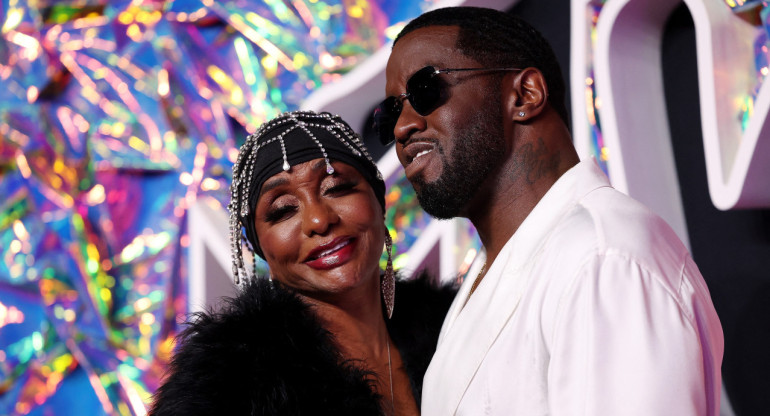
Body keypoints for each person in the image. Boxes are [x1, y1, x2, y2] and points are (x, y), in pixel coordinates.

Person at [375, 6, 724, 415]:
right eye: (392, 113)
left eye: (425, 90)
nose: (402, 127)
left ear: (525, 95)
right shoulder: (488, 281)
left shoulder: (601, 259)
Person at [149, 110, 455, 415]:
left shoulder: (452, 328)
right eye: (283, 210)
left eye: (336, 188)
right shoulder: (227, 387)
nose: (320, 220)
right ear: (260, 247)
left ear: (378, 200)